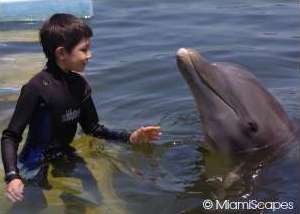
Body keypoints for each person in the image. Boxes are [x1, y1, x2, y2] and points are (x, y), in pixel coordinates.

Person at [1, 13, 161, 209]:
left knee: (93, 197)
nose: (89, 55)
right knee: (34, 205)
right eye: (84, 50)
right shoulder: (36, 89)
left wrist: (130, 138)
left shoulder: (80, 86)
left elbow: (93, 128)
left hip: (64, 153)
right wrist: (12, 176)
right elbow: (10, 136)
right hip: (33, 160)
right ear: (61, 53)